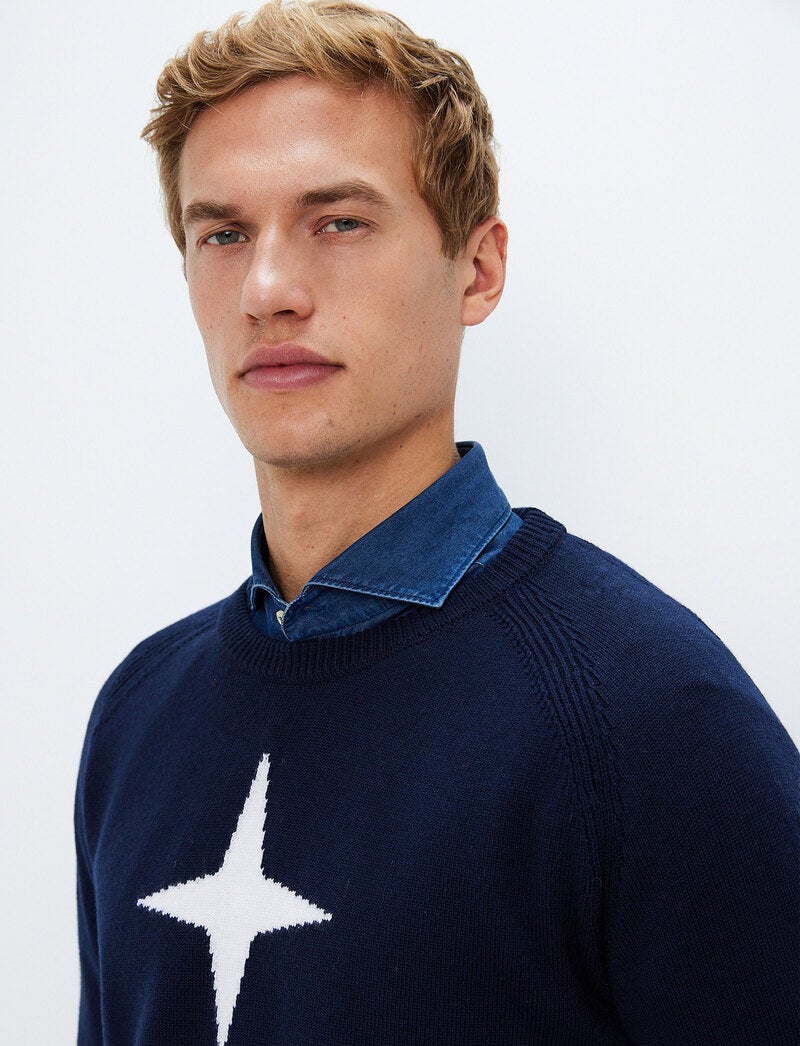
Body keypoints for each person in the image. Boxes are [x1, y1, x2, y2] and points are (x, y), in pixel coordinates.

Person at [74, 2, 799, 1043]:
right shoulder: (138, 716)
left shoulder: (653, 720)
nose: (268, 289)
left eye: (338, 221)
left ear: (478, 267)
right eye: (222, 233)